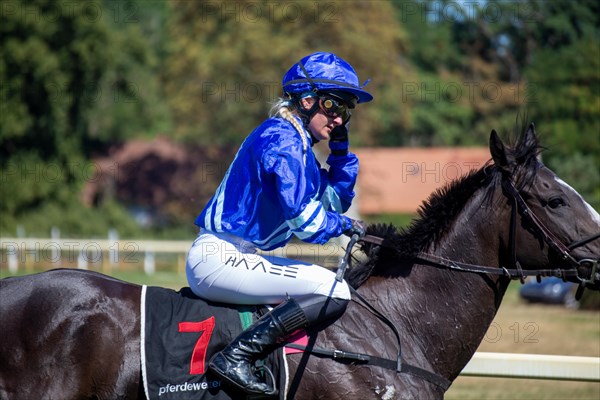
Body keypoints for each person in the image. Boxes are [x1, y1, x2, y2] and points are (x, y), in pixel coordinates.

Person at [185, 51, 372, 396]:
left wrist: (342, 155)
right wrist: (346, 226)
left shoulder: (301, 147)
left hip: (240, 256)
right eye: (333, 106)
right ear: (306, 100)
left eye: (347, 111)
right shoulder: (281, 139)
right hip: (220, 257)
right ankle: (235, 359)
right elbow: (308, 223)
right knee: (333, 290)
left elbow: (334, 201)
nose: (339, 120)